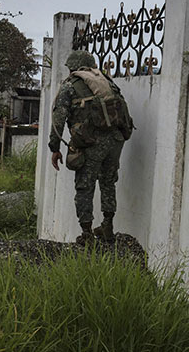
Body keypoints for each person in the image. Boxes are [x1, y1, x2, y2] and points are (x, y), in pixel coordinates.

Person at [48, 50, 133, 243]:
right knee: (108, 182)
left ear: (73, 67)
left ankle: (86, 233)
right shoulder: (107, 81)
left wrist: (55, 148)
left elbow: (58, 119)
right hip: (115, 140)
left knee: (85, 186)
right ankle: (107, 226)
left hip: (91, 143)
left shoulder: (70, 86)